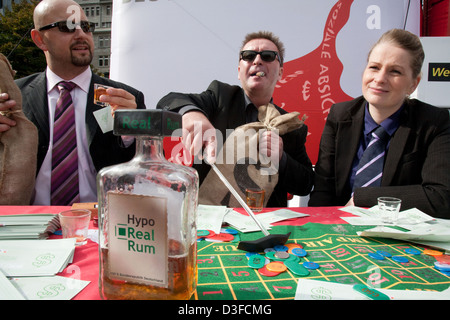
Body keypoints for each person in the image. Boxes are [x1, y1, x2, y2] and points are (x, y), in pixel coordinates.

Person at [0, 0, 146, 205]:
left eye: (86, 27)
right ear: (39, 39)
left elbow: (146, 173)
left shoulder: (126, 99)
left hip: (100, 224)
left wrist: (133, 132)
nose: (81, 35)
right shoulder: (14, 98)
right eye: (67, 26)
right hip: (28, 224)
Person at [157, 31, 314, 207]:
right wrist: (192, 115)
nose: (257, 60)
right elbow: (168, 100)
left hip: (265, 222)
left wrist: (282, 159)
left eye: (268, 56)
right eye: (248, 56)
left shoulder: (290, 125)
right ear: (239, 72)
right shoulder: (220, 97)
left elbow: (305, 184)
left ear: (280, 73)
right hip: (210, 219)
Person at [309, 29, 450, 219]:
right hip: (341, 234)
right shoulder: (339, 115)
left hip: (401, 238)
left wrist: (365, 198)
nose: (380, 78)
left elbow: (441, 197)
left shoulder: (435, 123)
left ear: (413, 84)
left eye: (395, 71)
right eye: (374, 67)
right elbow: (323, 192)